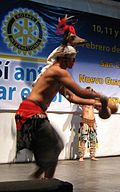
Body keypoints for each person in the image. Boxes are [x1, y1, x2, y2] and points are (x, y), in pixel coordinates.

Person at [15, 45, 108, 178]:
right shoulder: (58, 71)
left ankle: (37, 178)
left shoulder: (58, 75)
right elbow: (80, 91)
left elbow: (72, 97)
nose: (74, 62)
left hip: (32, 113)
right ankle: (44, 181)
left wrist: (95, 103)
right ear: (64, 59)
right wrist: (102, 96)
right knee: (56, 146)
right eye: (73, 59)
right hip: (31, 113)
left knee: (54, 148)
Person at [78, 86, 99, 161]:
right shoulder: (83, 100)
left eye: (90, 92)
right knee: (83, 139)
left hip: (93, 121)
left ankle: (92, 156)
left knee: (93, 139)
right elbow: (77, 97)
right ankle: (81, 156)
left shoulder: (93, 101)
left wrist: (94, 90)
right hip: (85, 121)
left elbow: (98, 98)